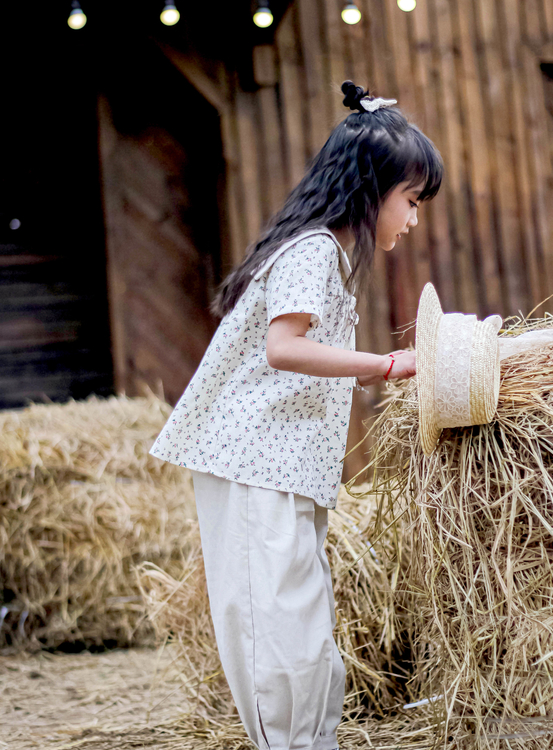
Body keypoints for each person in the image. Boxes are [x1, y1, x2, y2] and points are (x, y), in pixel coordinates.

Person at [149, 80, 443, 750]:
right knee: (274, 619)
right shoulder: (313, 251)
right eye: (411, 200)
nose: (414, 218)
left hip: (281, 465)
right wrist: (388, 366)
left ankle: (312, 741)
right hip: (255, 459)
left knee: (301, 616)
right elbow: (284, 348)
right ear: (372, 191)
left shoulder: (329, 257)